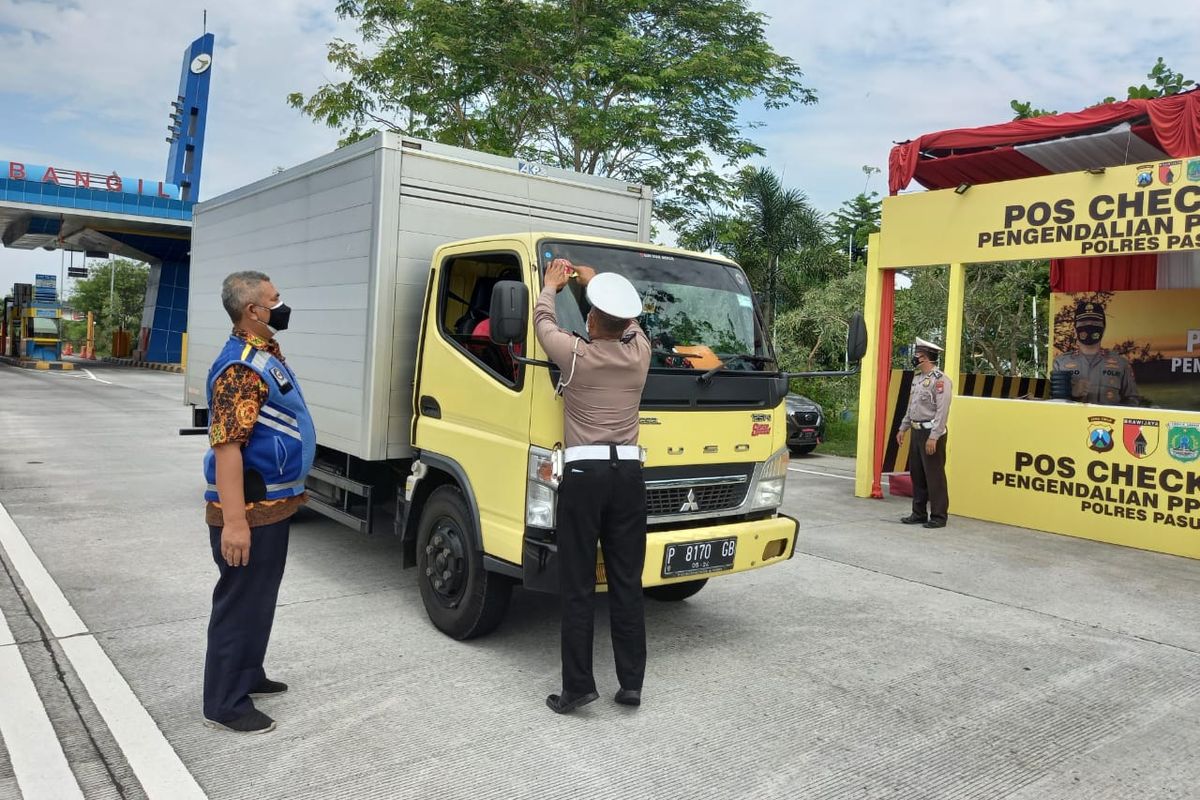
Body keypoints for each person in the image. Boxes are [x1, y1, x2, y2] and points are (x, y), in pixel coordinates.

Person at [534, 257, 651, 714]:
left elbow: (543, 321)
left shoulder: (574, 354)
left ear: (590, 319)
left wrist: (552, 285)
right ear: (624, 321)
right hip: (628, 477)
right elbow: (632, 322)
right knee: (627, 582)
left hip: (583, 477)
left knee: (579, 585)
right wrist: (598, 279)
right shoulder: (639, 353)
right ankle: (631, 684)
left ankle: (578, 687)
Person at [201, 271, 316, 734]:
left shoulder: (264, 356)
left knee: (259, 599)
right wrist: (233, 524)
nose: (280, 306)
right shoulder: (240, 368)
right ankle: (224, 703)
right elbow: (227, 447)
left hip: (272, 505)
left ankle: (248, 674)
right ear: (253, 311)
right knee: (239, 602)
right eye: (275, 300)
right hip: (247, 510)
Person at [896, 337, 952, 529]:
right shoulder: (918, 379)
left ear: (925, 358)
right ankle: (918, 513)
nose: (914, 359)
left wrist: (934, 436)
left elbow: (942, 411)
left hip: (931, 432)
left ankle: (938, 516)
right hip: (916, 430)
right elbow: (912, 407)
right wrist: (903, 427)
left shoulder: (941, 381)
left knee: (934, 476)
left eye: (917, 356)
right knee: (917, 474)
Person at [1052, 300, 1139, 406]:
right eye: (1083, 323)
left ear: (1104, 328)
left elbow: (1132, 401)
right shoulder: (1061, 363)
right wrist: (1072, 392)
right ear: (1075, 329)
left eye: (1095, 323)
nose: (1089, 326)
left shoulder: (1121, 364)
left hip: (1108, 421)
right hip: (1072, 421)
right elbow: (1053, 403)